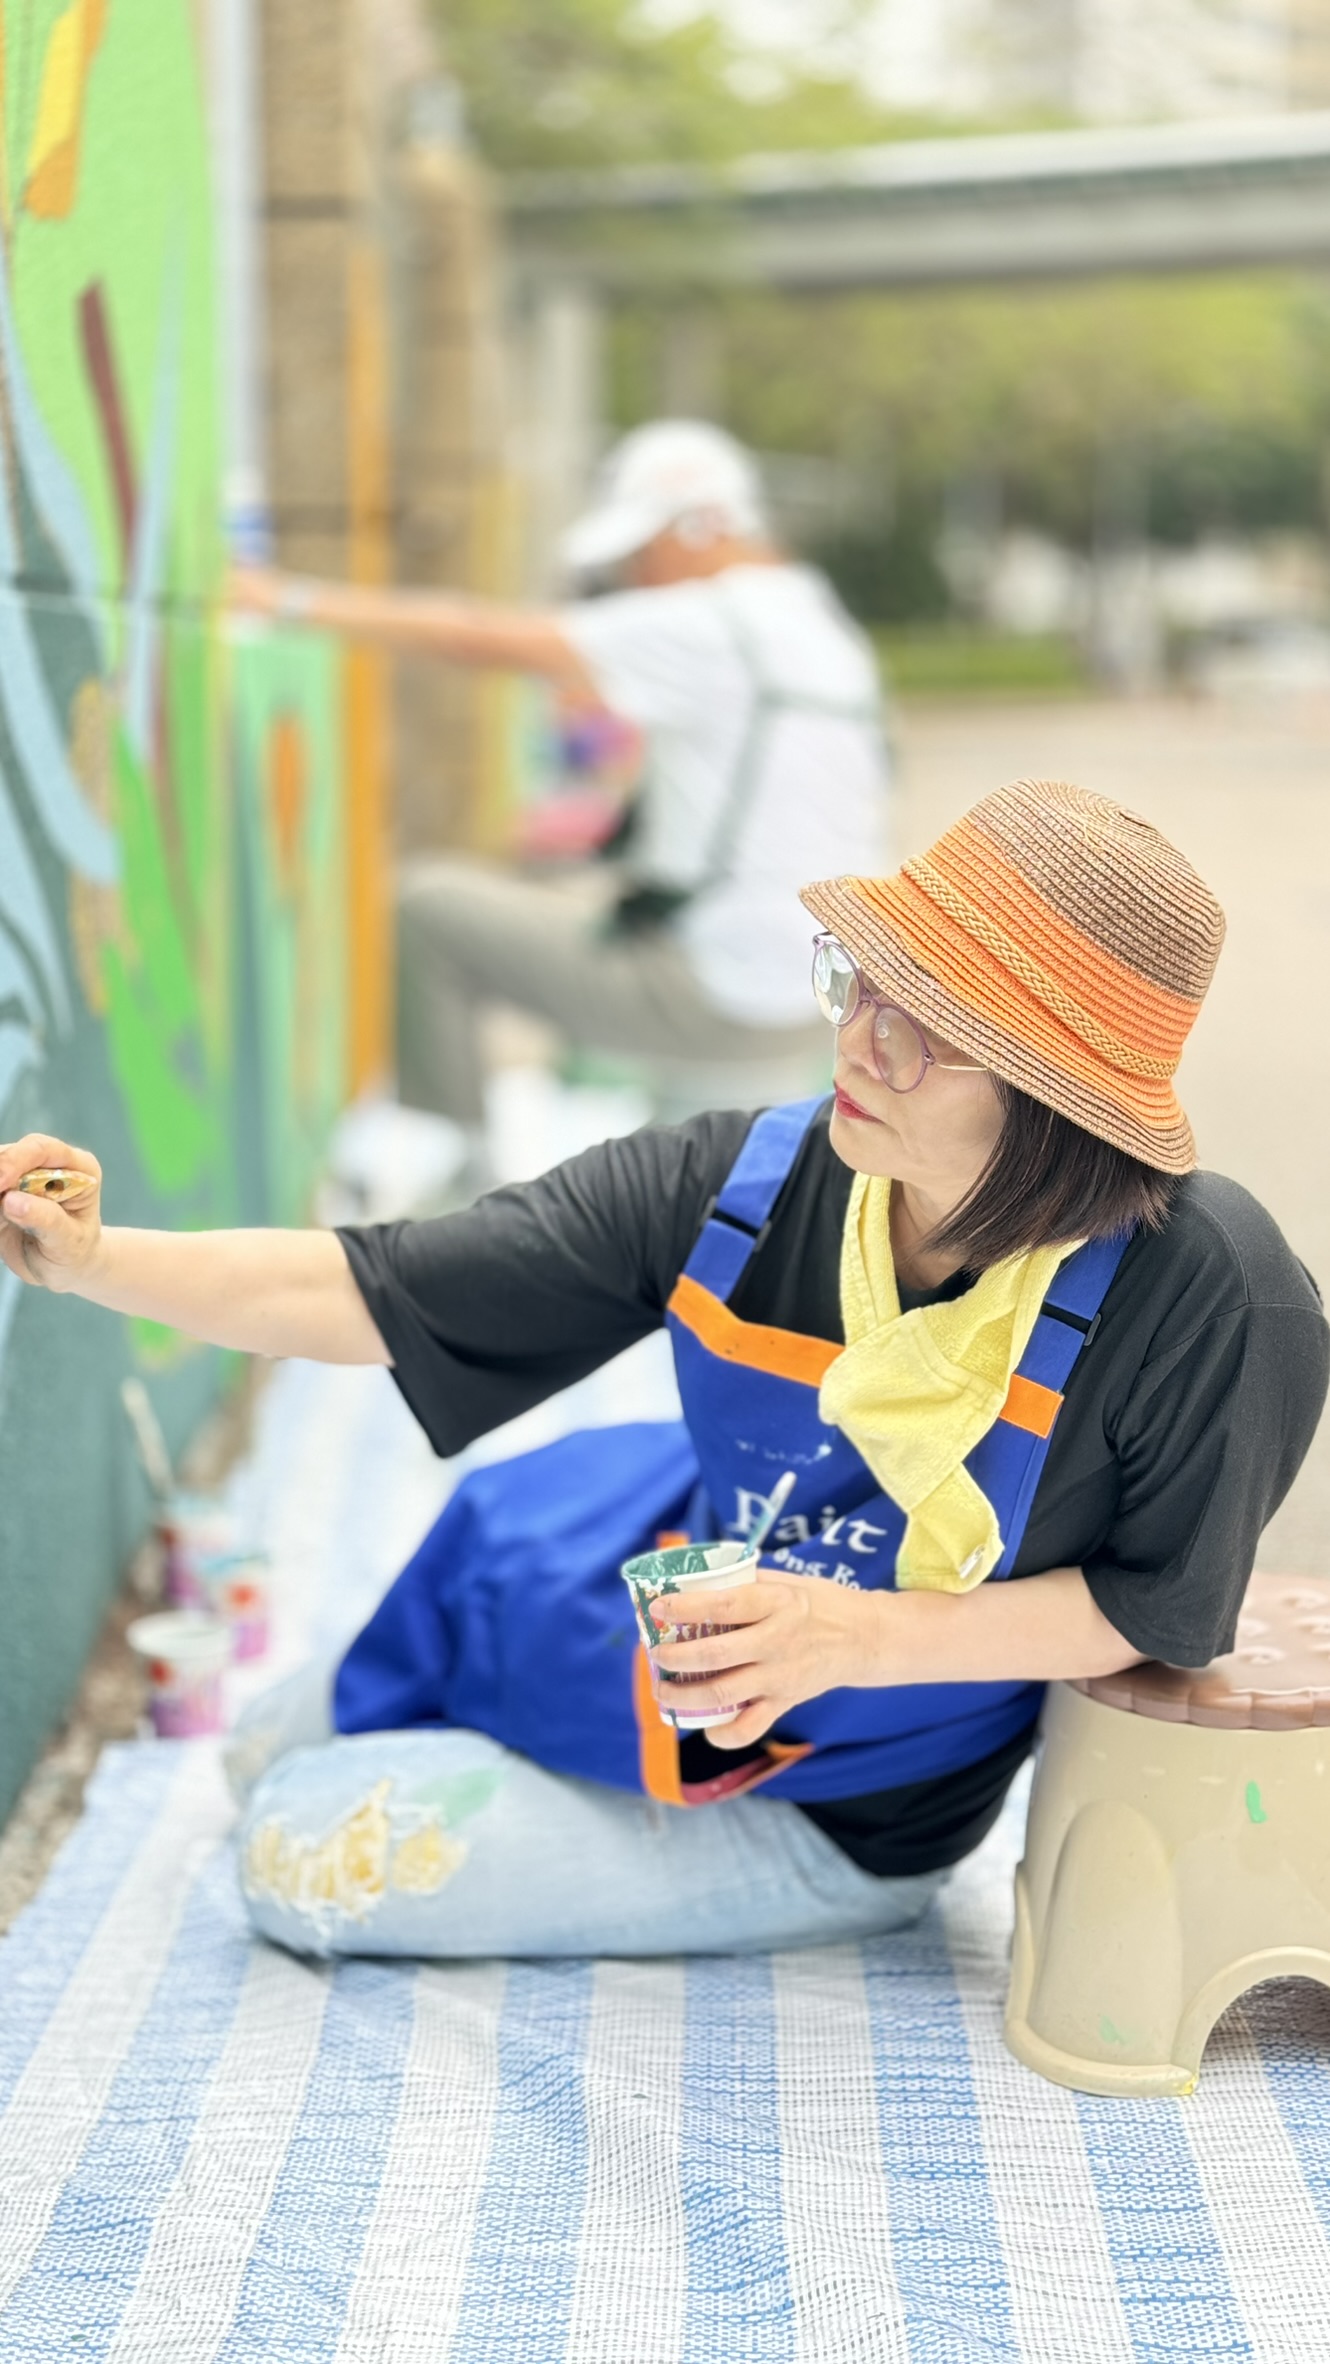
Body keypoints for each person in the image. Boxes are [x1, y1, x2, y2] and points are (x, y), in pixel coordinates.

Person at [3, 780, 1326, 1964]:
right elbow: (380, 1286)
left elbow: (1155, 1609)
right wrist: (96, 1260)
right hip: (664, 1613)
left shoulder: (1210, 1299)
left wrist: (856, 1636)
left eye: (918, 1032)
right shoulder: (748, 1181)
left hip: (835, 1805)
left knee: (293, 1856)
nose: (854, 1046)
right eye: (859, 983)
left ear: (1056, 1103)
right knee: (255, 1752)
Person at [231, 420, 893, 1157]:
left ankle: (458, 1174)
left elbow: (477, 635)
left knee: (427, 910)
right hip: (822, 991)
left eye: (640, 553)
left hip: (724, 995)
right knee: (585, 922)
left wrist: (281, 600)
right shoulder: (825, 628)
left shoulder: (713, 623)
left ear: (701, 526)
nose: (633, 579)